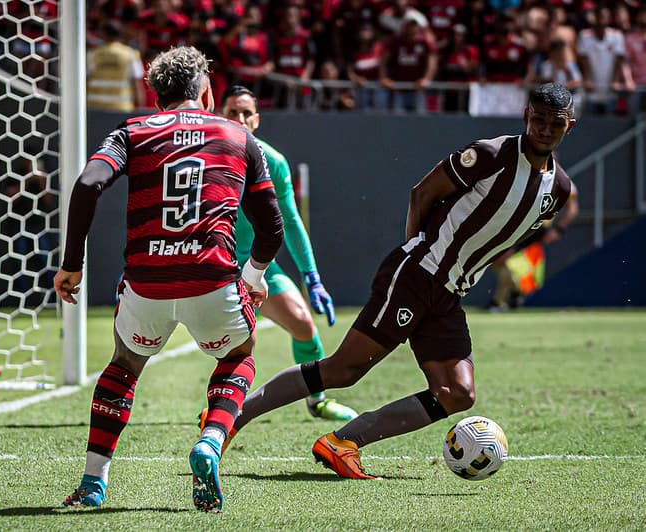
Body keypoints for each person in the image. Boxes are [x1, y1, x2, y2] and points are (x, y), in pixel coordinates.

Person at [203, 82, 577, 479]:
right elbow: (422, 193)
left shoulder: (560, 189)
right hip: (416, 275)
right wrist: (414, 253)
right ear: (526, 117)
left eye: (555, 124)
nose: (544, 130)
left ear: (568, 127)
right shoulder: (490, 155)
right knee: (343, 371)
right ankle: (230, 420)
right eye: (538, 120)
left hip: (449, 295)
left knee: (457, 393)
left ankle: (342, 443)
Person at [55, 46, 284, 512]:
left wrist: (72, 263)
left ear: (156, 96)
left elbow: (87, 184)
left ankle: (93, 482)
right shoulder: (239, 136)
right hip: (213, 283)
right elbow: (271, 227)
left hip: (147, 285)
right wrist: (255, 274)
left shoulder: (131, 132)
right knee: (240, 356)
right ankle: (211, 440)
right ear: (206, 91)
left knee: (123, 366)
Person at [221, 85, 358, 421]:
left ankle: (318, 400)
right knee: (241, 338)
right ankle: (222, 409)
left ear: (256, 119)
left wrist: (312, 278)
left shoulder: (274, 162)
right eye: (231, 112)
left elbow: (292, 222)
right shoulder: (211, 155)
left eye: (245, 113)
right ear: (220, 116)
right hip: (215, 264)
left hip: (257, 265)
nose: (239, 119)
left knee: (302, 324)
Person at [487, 180, 579, 311]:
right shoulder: (533, 173)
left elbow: (572, 209)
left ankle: (498, 301)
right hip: (522, 225)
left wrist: (559, 229)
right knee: (497, 260)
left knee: (500, 257)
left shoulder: (562, 180)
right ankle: (515, 292)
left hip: (536, 228)